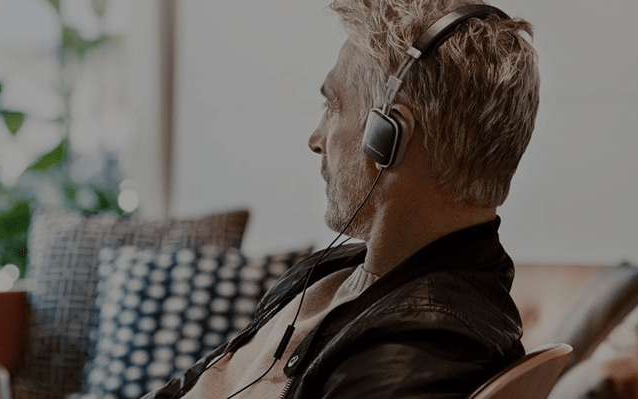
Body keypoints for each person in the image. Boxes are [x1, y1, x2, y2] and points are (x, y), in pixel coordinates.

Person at [143, 0, 540, 398]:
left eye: (332, 106)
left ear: (388, 138)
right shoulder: (335, 271)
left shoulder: (423, 342)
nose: (315, 140)